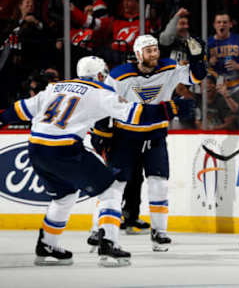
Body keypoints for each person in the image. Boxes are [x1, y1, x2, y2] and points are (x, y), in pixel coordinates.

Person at [0, 56, 192, 267]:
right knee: (111, 189)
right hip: (64, 150)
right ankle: (108, 245)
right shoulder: (101, 93)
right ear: (101, 74)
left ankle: (47, 244)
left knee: (65, 197)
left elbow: (16, 111)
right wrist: (171, 108)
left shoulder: (55, 87)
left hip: (36, 149)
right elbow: (136, 114)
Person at [89, 34, 206, 252]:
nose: (154, 54)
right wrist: (101, 131)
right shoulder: (120, 75)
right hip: (125, 137)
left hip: (155, 136)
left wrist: (198, 59)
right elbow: (104, 104)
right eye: (149, 51)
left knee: (159, 183)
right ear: (138, 54)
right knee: (115, 185)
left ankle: (159, 233)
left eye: (155, 50)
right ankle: (99, 228)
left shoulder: (168, 68)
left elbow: (196, 77)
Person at [207, 11, 239, 93]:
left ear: (230, 24)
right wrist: (209, 62)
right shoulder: (207, 44)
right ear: (214, 25)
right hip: (216, 87)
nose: (222, 25)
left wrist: (238, 66)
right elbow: (199, 66)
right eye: (219, 22)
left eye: (225, 22)